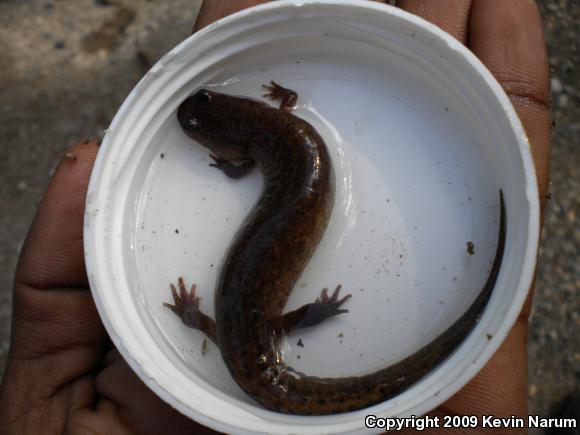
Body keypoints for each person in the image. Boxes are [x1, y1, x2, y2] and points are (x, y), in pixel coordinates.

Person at [0, 1, 550, 434]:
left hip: (254, 322)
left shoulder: (261, 156)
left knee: (270, 310)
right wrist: (196, 317)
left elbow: (245, 176)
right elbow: (275, 117)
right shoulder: (277, 122)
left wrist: (301, 312)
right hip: (245, 312)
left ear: (240, 139)